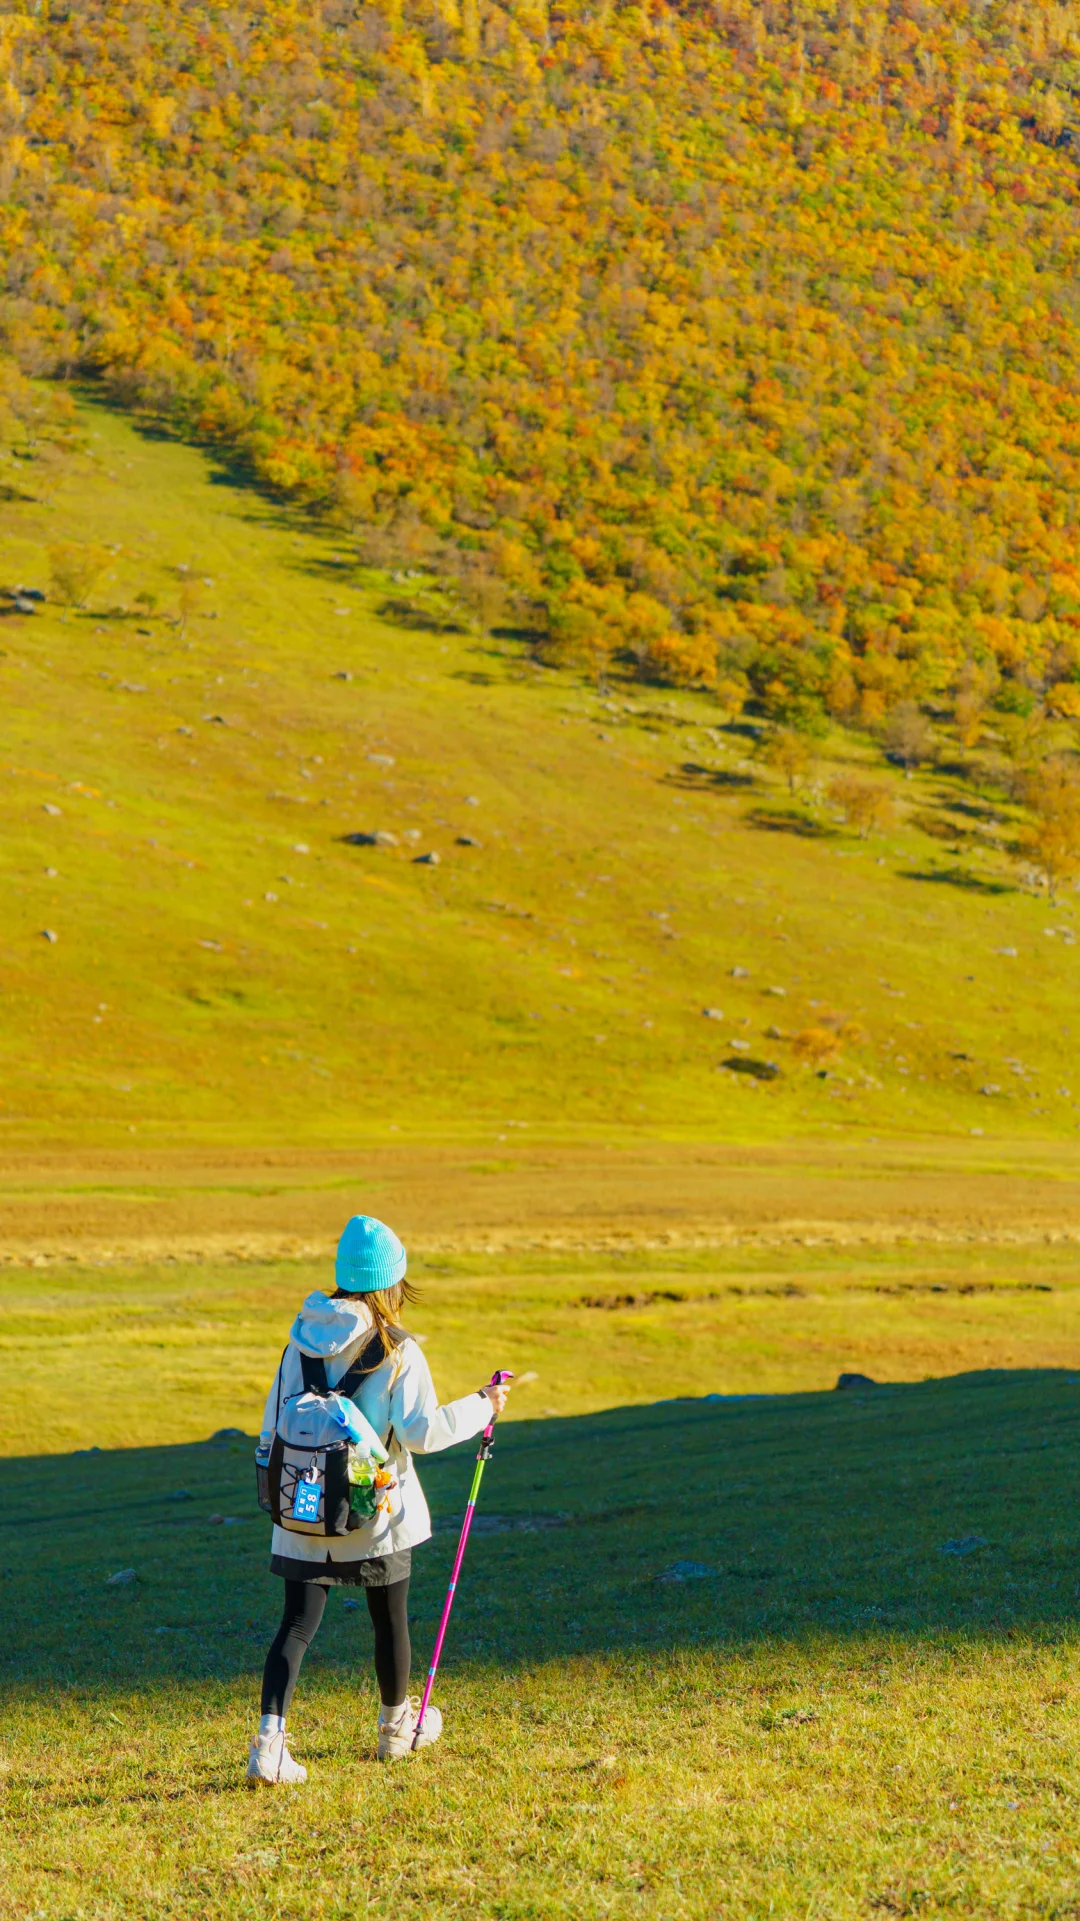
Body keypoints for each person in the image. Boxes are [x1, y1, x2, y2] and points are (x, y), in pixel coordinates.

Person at [247, 1213, 511, 1784]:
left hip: (303, 1508)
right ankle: (396, 1730)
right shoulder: (398, 1349)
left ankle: (269, 1745)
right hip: (376, 1514)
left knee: (295, 1622)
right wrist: (483, 1405)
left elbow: (271, 1425)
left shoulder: (297, 1344)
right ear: (390, 1283)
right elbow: (422, 1434)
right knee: (389, 1620)